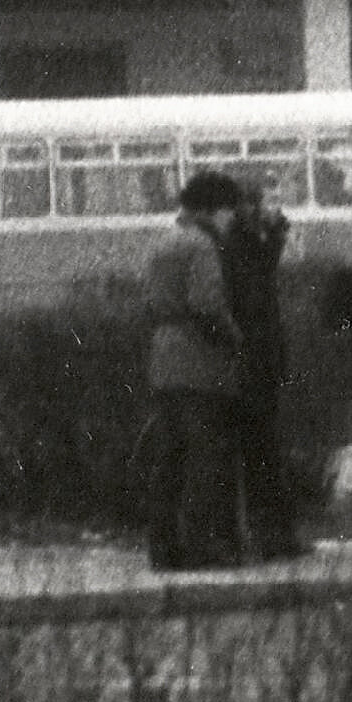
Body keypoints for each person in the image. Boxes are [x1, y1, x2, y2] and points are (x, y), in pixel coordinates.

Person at [142, 170, 247, 572]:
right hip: (199, 364)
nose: (232, 220)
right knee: (205, 458)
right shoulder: (203, 245)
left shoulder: (164, 241)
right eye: (228, 212)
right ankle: (203, 548)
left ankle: (164, 549)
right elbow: (207, 304)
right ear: (214, 210)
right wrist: (236, 338)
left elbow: (149, 303)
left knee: (170, 459)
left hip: (163, 361)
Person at [224, 176, 306, 562]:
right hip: (253, 359)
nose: (278, 208)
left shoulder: (251, 240)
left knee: (266, 449)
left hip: (263, 358)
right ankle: (271, 536)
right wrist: (276, 238)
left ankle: (275, 533)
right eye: (270, 200)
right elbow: (254, 288)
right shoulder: (242, 243)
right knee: (262, 450)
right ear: (252, 204)